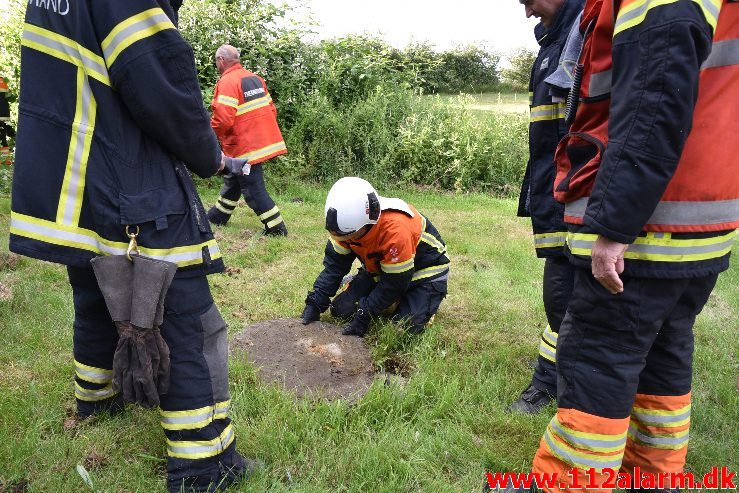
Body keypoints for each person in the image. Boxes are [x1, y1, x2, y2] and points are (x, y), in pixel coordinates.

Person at [9, 1, 259, 491]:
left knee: (95, 296)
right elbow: (159, 83)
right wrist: (212, 157)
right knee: (190, 321)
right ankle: (202, 465)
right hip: (129, 182)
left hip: (77, 186)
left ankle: (97, 400)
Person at [489, 0, 737, 491]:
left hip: (646, 232)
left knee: (597, 362)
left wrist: (615, 228)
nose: (523, 10)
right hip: (691, 225)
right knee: (662, 364)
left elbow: (653, 104)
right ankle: (651, 478)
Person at [511, 0, 583, 414]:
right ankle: (556, 377)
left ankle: (551, 381)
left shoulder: (584, 33)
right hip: (555, 187)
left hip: (574, 190)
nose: (526, 12)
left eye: (528, 0)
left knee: (563, 293)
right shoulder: (556, 40)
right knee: (561, 289)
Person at [300, 177, 450, 337]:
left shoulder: (394, 231)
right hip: (384, 270)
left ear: (367, 224)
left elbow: (395, 282)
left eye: (348, 237)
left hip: (425, 273)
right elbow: (335, 266)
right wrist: (315, 302)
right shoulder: (345, 228)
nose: (344, 241)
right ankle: (389, 299)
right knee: (340, 311)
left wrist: (366, 314)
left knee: (402, 330)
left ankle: (425, 301)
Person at [206, 44, 289, 236]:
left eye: (216, 62)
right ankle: (218, 216)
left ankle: (276, 228)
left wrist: (208, 135)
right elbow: (271, 110)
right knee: (232, 180)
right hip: (261, 141)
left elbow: (223, 119)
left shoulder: (227, 82)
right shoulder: (255, 78)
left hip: (245, 146)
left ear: (221, 60)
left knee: (253, 189)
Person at [0, 76, 15, 165]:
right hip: (5, 114)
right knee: (3, 137)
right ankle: (5, 161)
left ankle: (4, 161)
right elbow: (9, 97)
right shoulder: (3, 81)